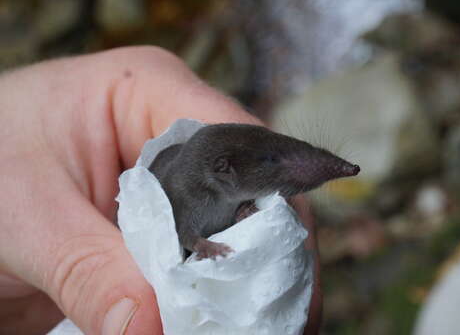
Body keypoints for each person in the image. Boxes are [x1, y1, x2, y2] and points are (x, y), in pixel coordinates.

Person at [0, 46, 321, 335]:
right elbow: (184, 234)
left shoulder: (220, 181)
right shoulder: (187, 191)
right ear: (224, 170)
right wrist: (202, 245)